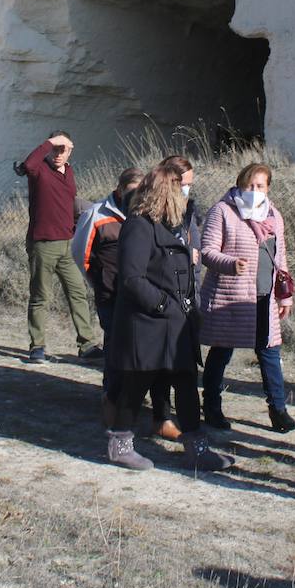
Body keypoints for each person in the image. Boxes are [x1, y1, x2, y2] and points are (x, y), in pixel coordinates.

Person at [104, 157, 233, 472]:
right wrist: (162, 305)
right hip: (147, 324)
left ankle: (196, 450)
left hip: (176, 324)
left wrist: (185, 308)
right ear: (164, 192)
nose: (186, 192)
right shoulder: (139, 225)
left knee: (187, 385)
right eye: (180, 187)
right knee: (137, 384)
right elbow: (132, 279)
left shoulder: (173, 226)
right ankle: (119, 446)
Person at [73, 167, 182, 438]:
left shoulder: (152, 216)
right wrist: (100, 282)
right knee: (117, 353)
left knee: (151, 356)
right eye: (131, 191)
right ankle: (112, 402)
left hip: (147, 297)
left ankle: (159, 415)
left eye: (140, 190)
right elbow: (80, 254)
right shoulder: (97, 215)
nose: (136, 195)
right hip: (112, 296)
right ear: (120, 190)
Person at [199, 163, 295, 434]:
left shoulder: (273, 215)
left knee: (270, 353)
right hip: (230, 296)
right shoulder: (222, 211)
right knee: (221, 351)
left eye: (260, 186)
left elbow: (280, 258)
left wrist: (285, 296)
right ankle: (211, 407)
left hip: (264, 296)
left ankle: (278, 411)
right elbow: (206, 251)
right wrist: (230, 263)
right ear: (240, 184)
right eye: (249, 185)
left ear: (268, 188)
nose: (254, 191)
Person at [22, 131, 100, 364]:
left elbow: (70, 204)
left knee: (78, 293)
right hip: (43, 244)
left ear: (70, 151)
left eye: (62, 149)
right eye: (54, 149)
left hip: (68, 245)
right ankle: (37, 346)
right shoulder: (39, 170)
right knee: (40, 297)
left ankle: (86, 345)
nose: (57, 154)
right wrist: (49, 142)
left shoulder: (70, 172)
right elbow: (28, 164)